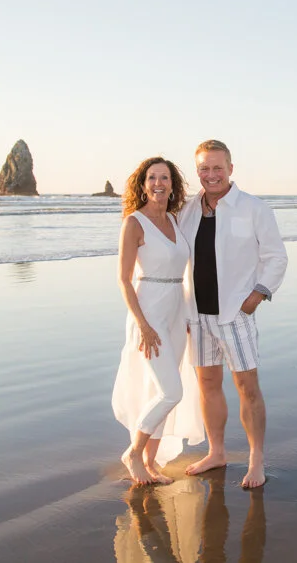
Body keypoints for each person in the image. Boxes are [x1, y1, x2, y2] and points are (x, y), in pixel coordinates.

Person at [178, 140, 288, 489]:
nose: (211, 175)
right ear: (198, 172)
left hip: (235, 314)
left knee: (247, 387)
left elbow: (276, 257)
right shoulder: (187, 210)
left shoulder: (253, 208)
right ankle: (217, 452)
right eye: (204, 169)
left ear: (230, 168)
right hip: (197, 314)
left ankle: (256, 460)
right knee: (208, 384)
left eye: (217, 168)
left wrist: (256, 296)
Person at [112, 157, 205, 485]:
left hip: (176, 312)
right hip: (148, 313)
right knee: (171, 391)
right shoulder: (134, 223)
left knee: (160, 388)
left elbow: (187, 273)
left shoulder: (175, 220)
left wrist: (189, 315)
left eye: (164, 177)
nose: (158, 183)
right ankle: (133, 453)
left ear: (172, 184)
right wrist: (144, 325)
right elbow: (124, 280)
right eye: (152, 177)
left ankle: (149, 464)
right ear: (142, 184)